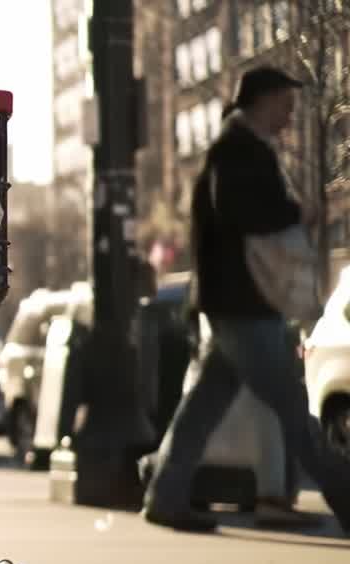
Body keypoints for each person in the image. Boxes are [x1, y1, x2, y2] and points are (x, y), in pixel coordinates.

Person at [142, 66, 350, 534]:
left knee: (202, 407)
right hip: (243, 303)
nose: (289, 115)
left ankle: (165, 496)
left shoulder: (239, 149)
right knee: (297, 414)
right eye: (284, 105)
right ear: (260, 101)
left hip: (234, 302)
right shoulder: (236, 152)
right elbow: (243, 214)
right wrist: (299, 212)